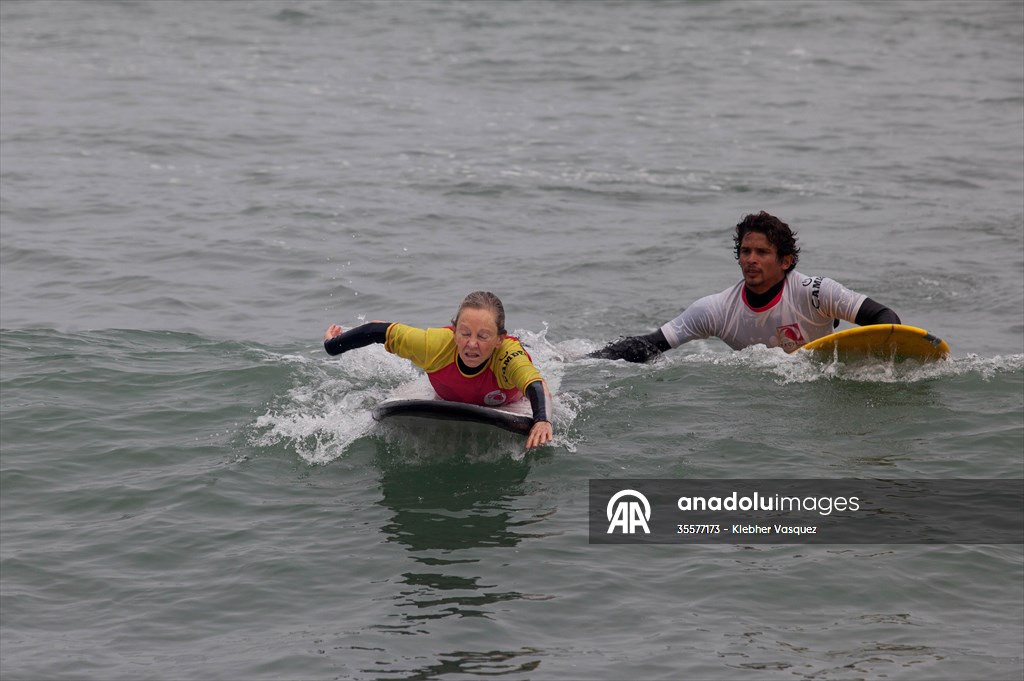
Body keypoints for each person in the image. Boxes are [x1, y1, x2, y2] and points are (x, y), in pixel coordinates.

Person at [590, 211, 901, 362]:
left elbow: (885, 318)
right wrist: (590, 361)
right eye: (745, 251)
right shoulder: (717, 309)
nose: (751, 260)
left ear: (785, 260)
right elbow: (651, 344)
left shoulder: (816, 292)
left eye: (762, 252)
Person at [324, 291, 554, 450]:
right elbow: (378, 330)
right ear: (453, 331)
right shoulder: (434, 345)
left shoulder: (507, 356)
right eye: (465, 333)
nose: (472, 344)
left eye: (483, 336)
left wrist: (542, 420)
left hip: (509, 395)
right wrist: (333, 345)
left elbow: (534, 384)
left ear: (498, 339)